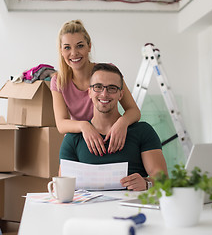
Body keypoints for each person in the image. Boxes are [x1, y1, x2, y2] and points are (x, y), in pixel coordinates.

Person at [59, 63, 168, 191]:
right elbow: (62, 186)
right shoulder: (73, 138)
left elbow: (162, 179)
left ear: (121, 94)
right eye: (98, 87)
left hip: (132, 208)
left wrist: (147, 183)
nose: (104, 94)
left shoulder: (143, 131)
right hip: (88, 210)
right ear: (89, 92)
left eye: (112, 88)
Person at [51, 19, 141, 156]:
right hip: (82, 140)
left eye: (80, 46)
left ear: (89, 46)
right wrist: (84, 126)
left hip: (112, 137)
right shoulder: (58, 81)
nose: (74, 53)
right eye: (67, 47)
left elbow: (134, 111)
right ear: (61, 51)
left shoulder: (108, 72)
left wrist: (122, 122)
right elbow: (61, 124)